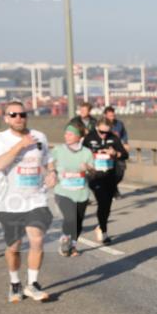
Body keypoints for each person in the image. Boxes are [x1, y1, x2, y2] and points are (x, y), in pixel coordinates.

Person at [0, 100, 53, 302]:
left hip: (36, 198)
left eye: (22, 114)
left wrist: (52, 173)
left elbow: (47, 160)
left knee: (37, 239)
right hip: (10, 202)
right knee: (14, 247)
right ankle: (14, 283)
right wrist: (20, 146)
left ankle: (32, 284)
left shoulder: (40, 136)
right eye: (13, 114)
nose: (18, 118)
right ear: (6, 118)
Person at [49, 124, 93, 257]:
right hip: (63, 191)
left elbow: (94, 169)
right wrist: (51, 171)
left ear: (79, 137)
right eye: (65, 133)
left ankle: (73, 246)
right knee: (70, 218)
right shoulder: (58, 150)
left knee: (78, 222)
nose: (66, 136)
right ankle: (64, 239)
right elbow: (49, 161)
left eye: (70, 134)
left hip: (81, 192)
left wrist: (88, 167)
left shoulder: (86, 152)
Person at [82, 116, 128, 245]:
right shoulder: (90, 138)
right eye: (101, 132)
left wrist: (115, 153)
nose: (104, 135)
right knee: (102, 200)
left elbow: (125, 154)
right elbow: (79, 153)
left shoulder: (113, 138)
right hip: (95, 176)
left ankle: (100, 226)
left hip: (110, 176)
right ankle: (104, 232)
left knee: (106, 206)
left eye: (106, 132)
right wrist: (88, 156)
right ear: (96, 128)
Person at [103, 106, 128, 197]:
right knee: (108, 173)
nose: (112, 117)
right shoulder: (101, 125)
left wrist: (125, 143)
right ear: (105, 116)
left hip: (118, 151)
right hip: (106, 152)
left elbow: (124, 135)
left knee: (120, 172)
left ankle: (112, 187)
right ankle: (113, 191)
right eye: (110, 116)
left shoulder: (119, 124)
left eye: (113, 115)